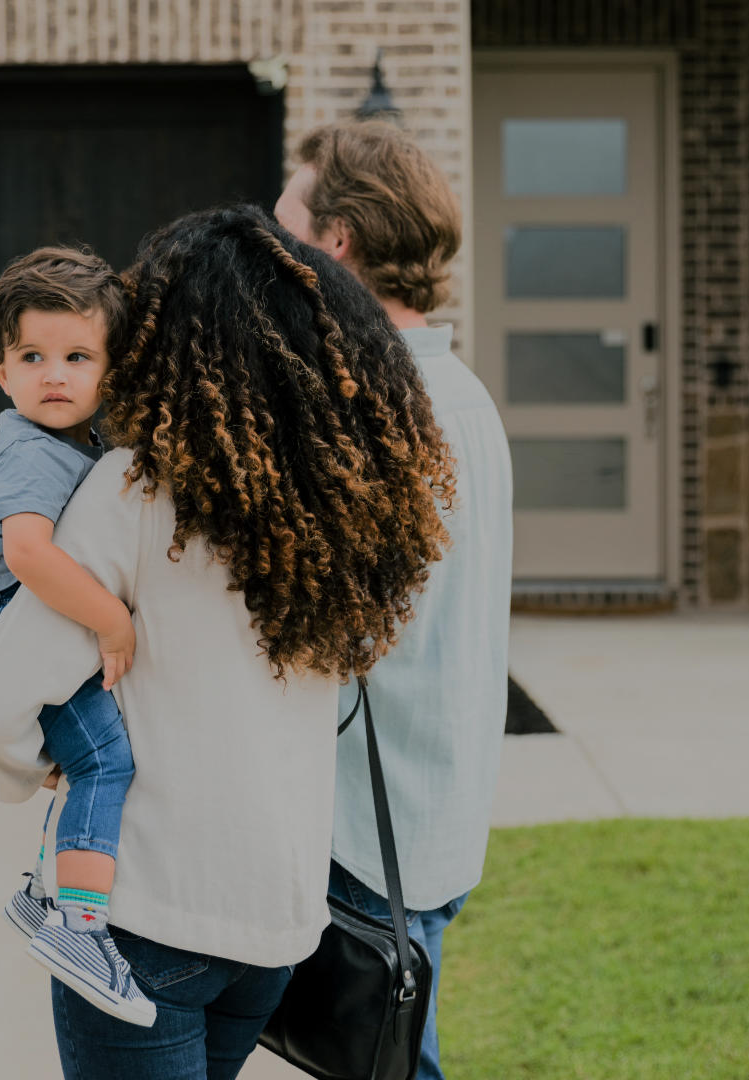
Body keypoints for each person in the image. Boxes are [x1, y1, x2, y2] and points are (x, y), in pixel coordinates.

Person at [0, 203, 455, 1080]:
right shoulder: (338, 497)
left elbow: (7, 691)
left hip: (150, 913)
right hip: (276, 921)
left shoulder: (134, 488)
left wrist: (31, 765)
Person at [274, 120, 514, 1080]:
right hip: (425, 811)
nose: (270, 243)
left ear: (336, 241)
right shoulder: (461, 393)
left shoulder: (377, 404)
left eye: (285, 222)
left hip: (372, 833)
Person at [0, 246, 153, 1025]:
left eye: (78, 357)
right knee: (106, 762)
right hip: (12, 626)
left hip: (24, 622)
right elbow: (28, 554)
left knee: (84, 763)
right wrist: (113, 619)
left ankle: (45, 894)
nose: (56, 375)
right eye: (33, 357)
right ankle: (79, 926)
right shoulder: (28, 450)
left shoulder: (73, 444)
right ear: (1, 370)